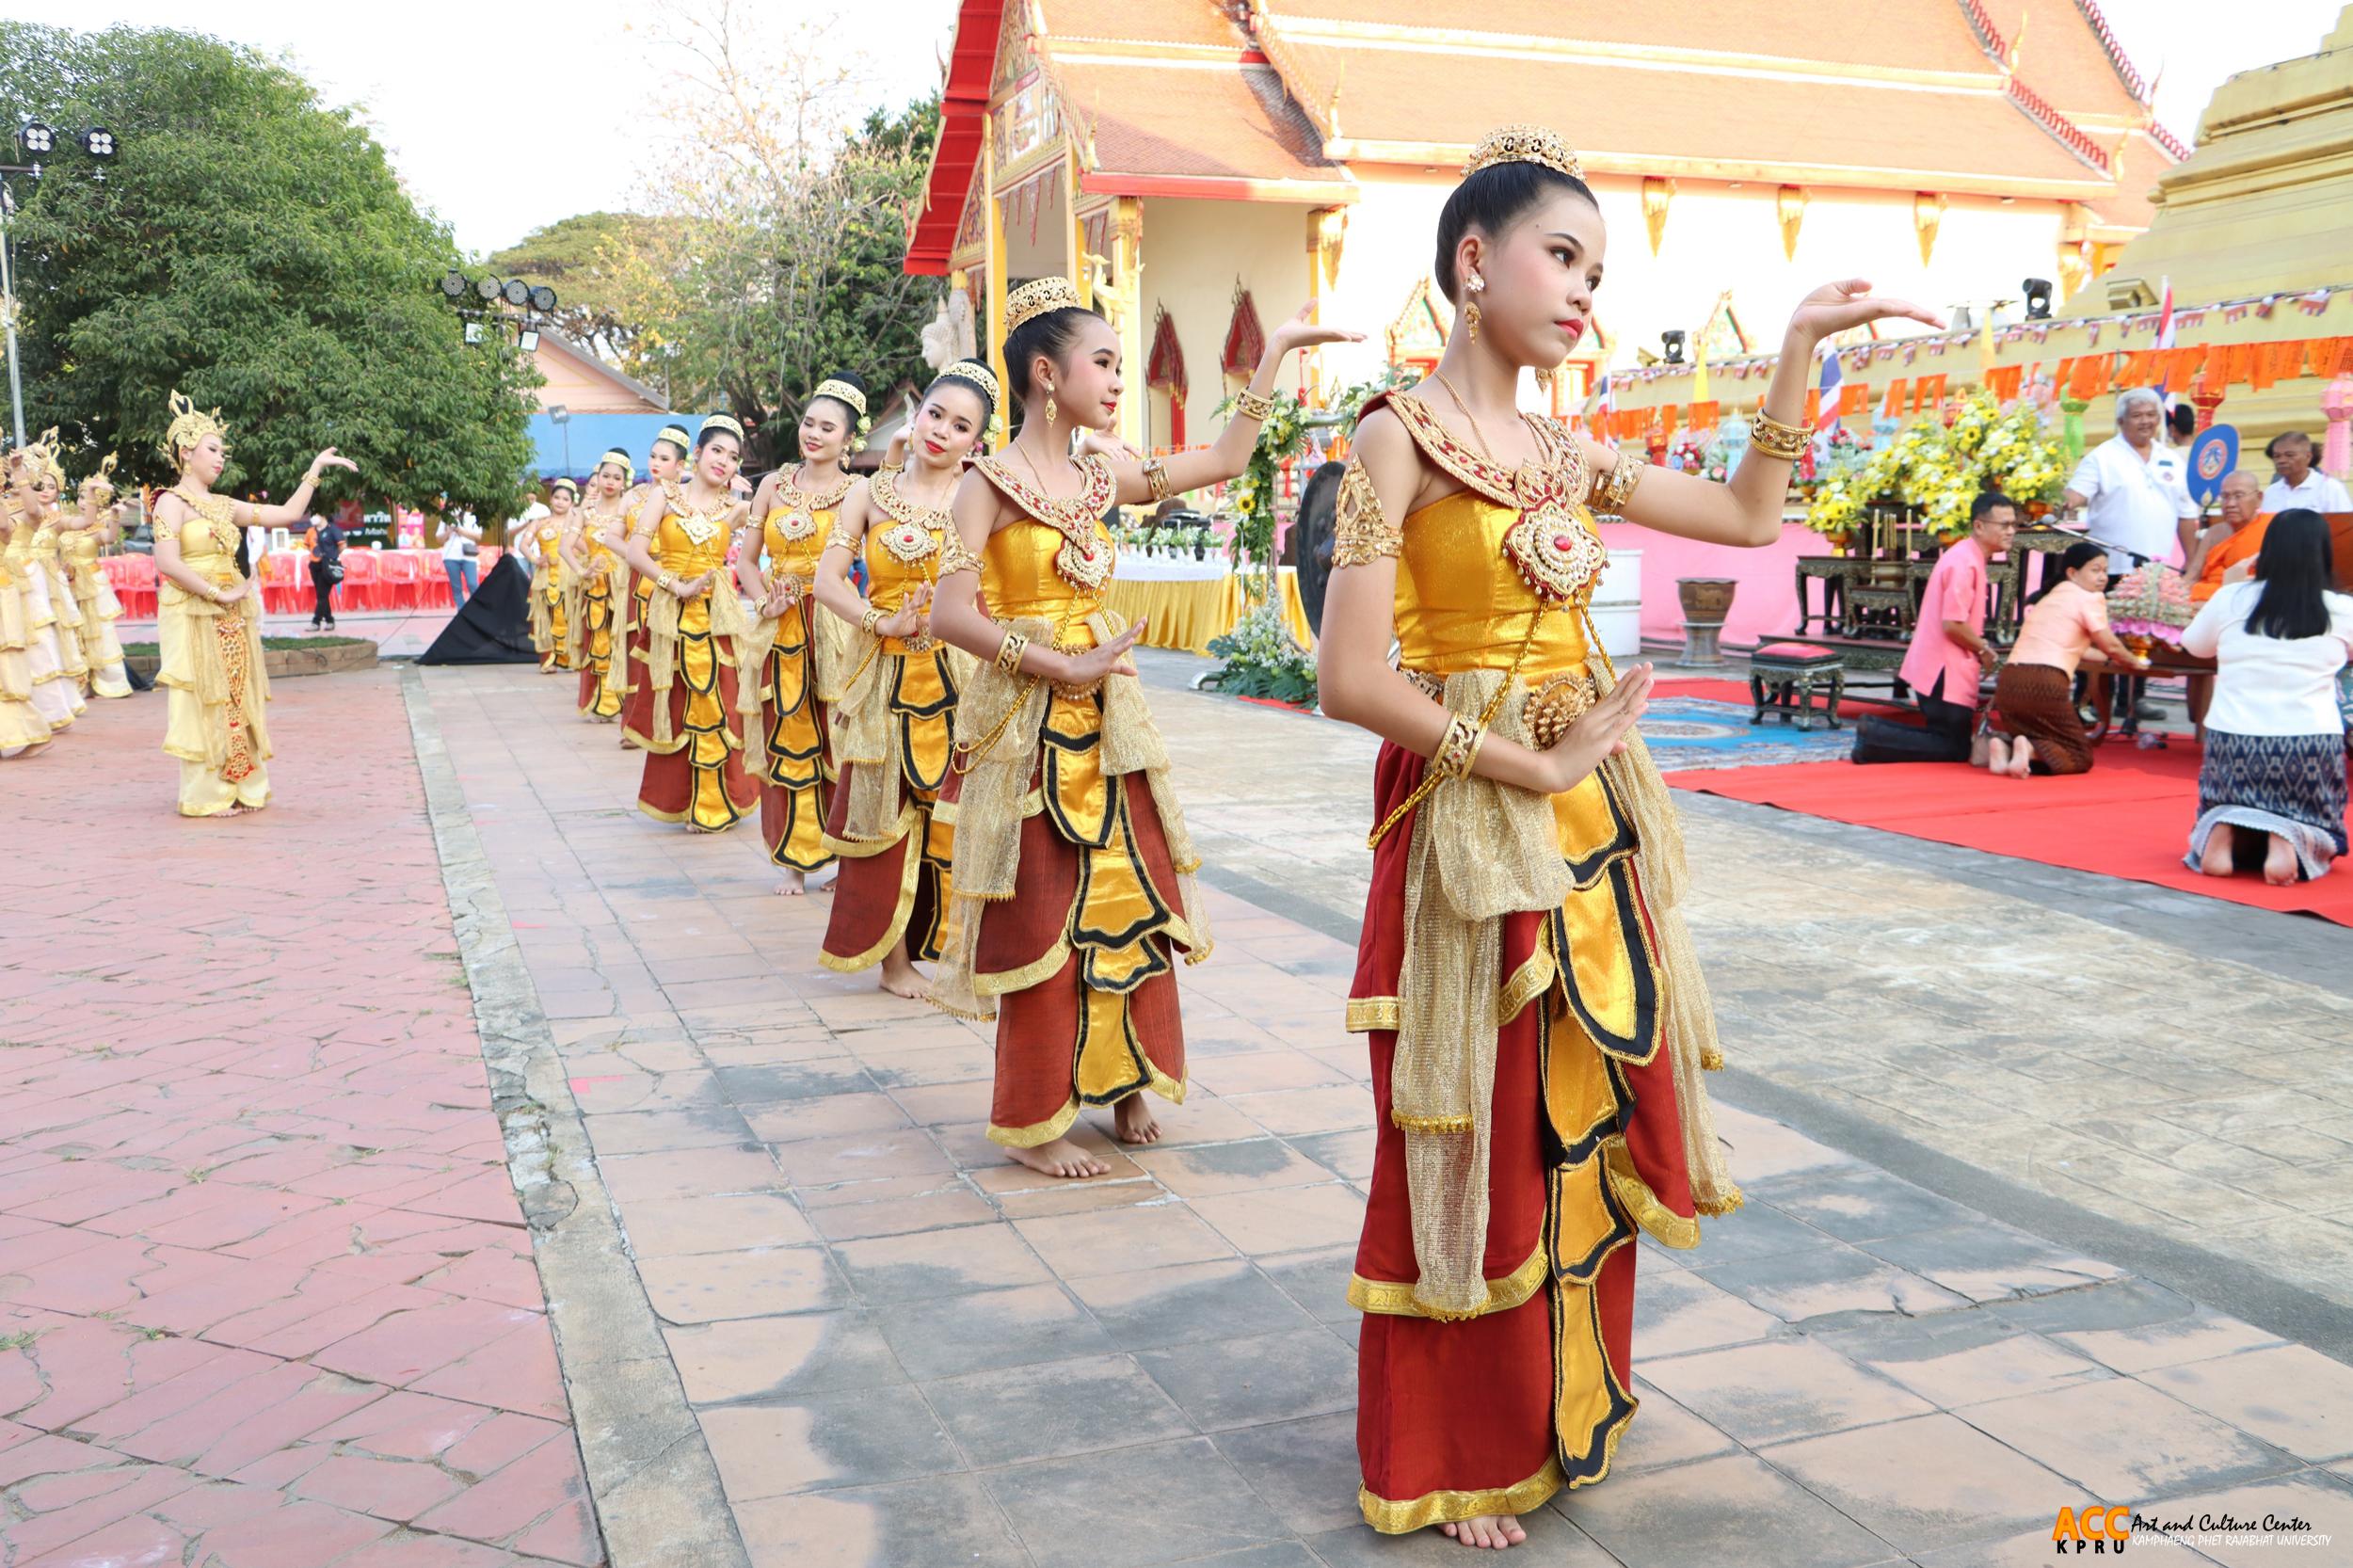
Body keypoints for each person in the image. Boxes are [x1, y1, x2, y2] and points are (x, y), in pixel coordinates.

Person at [1316, 126, 1936, 1544]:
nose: (1586, 290)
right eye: (1563, 255)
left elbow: (1744, 512)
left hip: (1588, 817)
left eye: (1598, 268)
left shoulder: (1560, 452)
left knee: (1575, 1114)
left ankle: (1556, 1400)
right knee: (1470, 1122)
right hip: (1470, 821)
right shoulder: (1391, 437)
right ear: (1474, 263)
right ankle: (1453, 1445)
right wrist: (1517, 760)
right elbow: (1350, 677)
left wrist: (1792, 349)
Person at [927, 277, 1355, 1179]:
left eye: (1123, 365)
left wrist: (1273, 355)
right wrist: (1056, 664)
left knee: (1127, 898)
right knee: (1043, 907)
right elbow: (952, 617)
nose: (1120, 381)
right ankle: (1039, 1118)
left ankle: (1125, 1080)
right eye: (1105, 363)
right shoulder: (987, 486)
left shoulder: (1101, 472)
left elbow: (1226, 461)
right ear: (1048, 373)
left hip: (1110, 716)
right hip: (1029, 721)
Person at [811, 363, 992, 983]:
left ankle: (958, 946)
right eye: (935, 414)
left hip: (959, 678)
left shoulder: (981, 496)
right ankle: (895, 963)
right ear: (916, 416)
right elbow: (826, 580)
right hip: (883, 673)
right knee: (884, 815)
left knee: (957, 813)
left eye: (961, 425)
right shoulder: (867, 493)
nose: (942, 431)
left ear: (976, 442)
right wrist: (877, 622)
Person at [149, 392, 356, 816]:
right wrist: (215, 593)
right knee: (203, 694)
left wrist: (313, 471)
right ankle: (206, 793)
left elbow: (285, 514)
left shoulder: (224, 505)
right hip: (193, 610)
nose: (220, 458)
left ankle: (241, 785)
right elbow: (167, 561)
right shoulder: (170, 501)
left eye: (223, 451)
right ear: (186, 453)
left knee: (236, 696)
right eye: (212, 450)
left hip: (232, 610)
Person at [740, 372, 866, 895]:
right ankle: (793, 859)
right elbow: (748, 562)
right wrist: (763, 596)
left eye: (827, 427)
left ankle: (845, 857)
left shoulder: (860, 490)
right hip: (782, 623)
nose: (813, 433)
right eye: (809, 422)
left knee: (839, 737)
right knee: (787, 733)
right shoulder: (772, 484)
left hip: (836, 624)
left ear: (848, 439)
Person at [2182, 509, 2352, 884]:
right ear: (2322, 553)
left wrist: (2229, 587)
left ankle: (2222, 825)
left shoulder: (2232, 598)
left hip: (2233, 743)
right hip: (2309, 744)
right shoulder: (2341, 609)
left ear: (2266, 550)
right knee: (2320, 820)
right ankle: (2288, 834)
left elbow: (2193, 646)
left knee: (2226, 800)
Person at [619, 415, 761, 831]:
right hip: (672, 614)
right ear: (697, 454)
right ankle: (683, 800)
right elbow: (636, 552)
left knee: (720, 705)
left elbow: (778, 527)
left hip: (718, 618)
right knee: (679, 704)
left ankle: (719, 801)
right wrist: (674, 585)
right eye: (717, 450)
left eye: (734, 457)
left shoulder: (736, 509)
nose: (724, 461)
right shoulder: (664, 496)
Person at [2065, 387, 2198, 726]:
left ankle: (2133, 702)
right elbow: (2074, 495)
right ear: (2121, 420)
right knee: (2101, 634)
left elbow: (2187, 515)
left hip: (2154, 571)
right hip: (2107, 568)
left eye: (2151, 416)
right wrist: (2058, 497)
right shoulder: (2103, 456)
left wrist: (2193, 565)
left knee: (2145, 634)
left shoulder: (2171, 458)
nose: (2145, 422)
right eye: (2137, 416)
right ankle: (2094, 700)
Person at [1855, 492, 2016, 764]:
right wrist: (1984, 648)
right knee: (1954, 748)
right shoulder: (1964, 562)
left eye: (2014, 524)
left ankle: (1872, 734)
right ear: (1979, 526)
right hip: (1943, 669)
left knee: (1950, 742)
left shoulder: (1969, 556)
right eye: (2004, 525)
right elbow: (1952, 624)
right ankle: (1873, 732)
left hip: (1943, 666)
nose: (2011, 531)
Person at [1988, 541, 2148, 776]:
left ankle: (2006, 748)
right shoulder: (2089, 598)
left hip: (2009, 682)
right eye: (2095, 570)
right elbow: (2110, 643)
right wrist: (2134, 661)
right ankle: (2029, 750)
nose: (2103, 577)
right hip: (2044, 682)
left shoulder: (2051, 598)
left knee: (2039, 732)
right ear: (2072, 572)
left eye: (2105, 570)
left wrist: (2109, 659)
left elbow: (2078, 649)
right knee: (2079, 754)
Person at [602, 425, 693, 751]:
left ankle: (669, 722)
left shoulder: (688, 497)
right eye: (653, 456)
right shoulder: (634, 495)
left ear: (680, 466)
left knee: (669, 651)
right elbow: (611, 537)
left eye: (664, 458)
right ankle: (633, 725)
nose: (656, 462)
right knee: (635, 650)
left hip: (674, 582)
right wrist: (639, 555)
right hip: (638, 582)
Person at [4, 436, 88, 735]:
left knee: (38, 644)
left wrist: (22, 477)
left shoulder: (34, 509)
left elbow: (31, 515)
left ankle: (49, 711)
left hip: (28, 580)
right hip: (6, 582)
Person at [567, 451, 632, 722]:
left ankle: (624, 703)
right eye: (605, 476)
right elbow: (564, 548)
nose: (610, 482)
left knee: (622, 644)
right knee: (599, 644)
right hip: (595, 589)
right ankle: (604, 702)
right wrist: (583, 571)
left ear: (624, 482)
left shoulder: (628, 511)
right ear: (597, 477)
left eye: (617, 477)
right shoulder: (586, 512)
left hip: (623, 586)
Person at [63, 455, 132, 697]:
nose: (84, 502)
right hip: (65, 584)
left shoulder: (98, 528)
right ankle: (79, 683)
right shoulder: (68, 522)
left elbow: (111, 538)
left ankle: (109, 681)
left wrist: (115, 516)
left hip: (91, 584)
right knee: (71, 631)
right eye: (82, 496)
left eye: (92, 498)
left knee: (99, 631)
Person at [2186, 471, 2270, 604]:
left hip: (2245, 600)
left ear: (2259, 498)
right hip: (2204, 598)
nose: (2230, 504)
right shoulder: (2214, 532)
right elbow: (2193, 574)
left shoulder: (2271, 528)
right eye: (2225, 496)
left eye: (2238, 496)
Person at [524, 480, 575, 674]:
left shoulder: (575, 524)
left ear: (571, 502)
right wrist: (535, 559)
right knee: (544, 615)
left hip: (568, 574)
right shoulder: (539, 522)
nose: (560, 502)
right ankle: (547, 660)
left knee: (568, 614)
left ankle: (569, 658)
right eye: (557, 497)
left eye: (565, 499)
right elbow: (524, 544)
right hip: (545, 574)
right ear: (551, 499)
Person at [2259, 430, 2353, 516]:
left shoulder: (2330, 488)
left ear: (2308, 457)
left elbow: (2344, 528)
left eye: (2289, 455)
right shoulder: (2271, 492)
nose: (2281, 460)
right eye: (2277, 456)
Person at [303, 511, 345, 631]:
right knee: (322, 595)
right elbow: (307, 545)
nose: (313, 518)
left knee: (322, 595)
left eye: (316, 515)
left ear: (323, 515)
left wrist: (332, 556)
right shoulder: (310, 531)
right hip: (314, 565)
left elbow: (342, 545)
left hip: (327, 566)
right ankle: (329, 620)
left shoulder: (333, 530)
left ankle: (316, 622)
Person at [440, 507, 483, 606]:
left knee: (473, 584)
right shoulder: (446, 517)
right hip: (450, 556)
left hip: (469, 555)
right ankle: (461, 611)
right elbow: (439, 539)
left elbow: (478, 537)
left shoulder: (472, 517)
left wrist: (460, 531)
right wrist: (449, 531)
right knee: (456, 588)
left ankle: (476, 608)